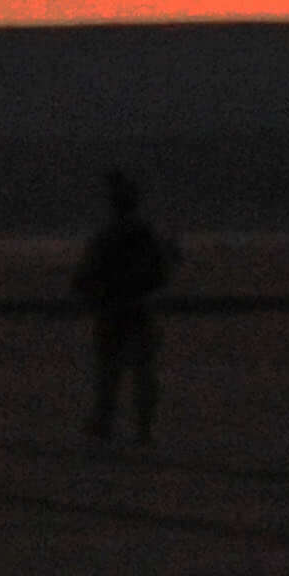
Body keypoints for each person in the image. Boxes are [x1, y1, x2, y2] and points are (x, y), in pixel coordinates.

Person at [71, 171, 177, 442]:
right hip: (138, 309)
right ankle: (143, 428)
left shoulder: (108, 237)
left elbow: (88, 274)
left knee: (110, 373)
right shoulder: (145, 235)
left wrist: (89, 295)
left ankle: (107, 424)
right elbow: (162, 271)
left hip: (114, 311)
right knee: (141, 373)